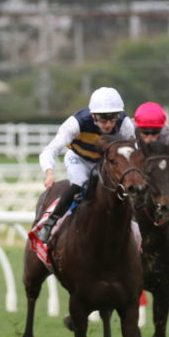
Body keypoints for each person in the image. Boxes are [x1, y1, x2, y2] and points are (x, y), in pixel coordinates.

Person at [36, 86, 136, 244]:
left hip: (104, 162)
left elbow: (134, 151)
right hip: (79, 159)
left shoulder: (124, 123)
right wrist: (49, 172)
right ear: (93, 115)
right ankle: (50, 223)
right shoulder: (77, 123)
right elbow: (50, 150)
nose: (108, 124)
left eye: (113, 118)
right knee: (80, 183)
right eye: (103, 118)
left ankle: (135, 224)